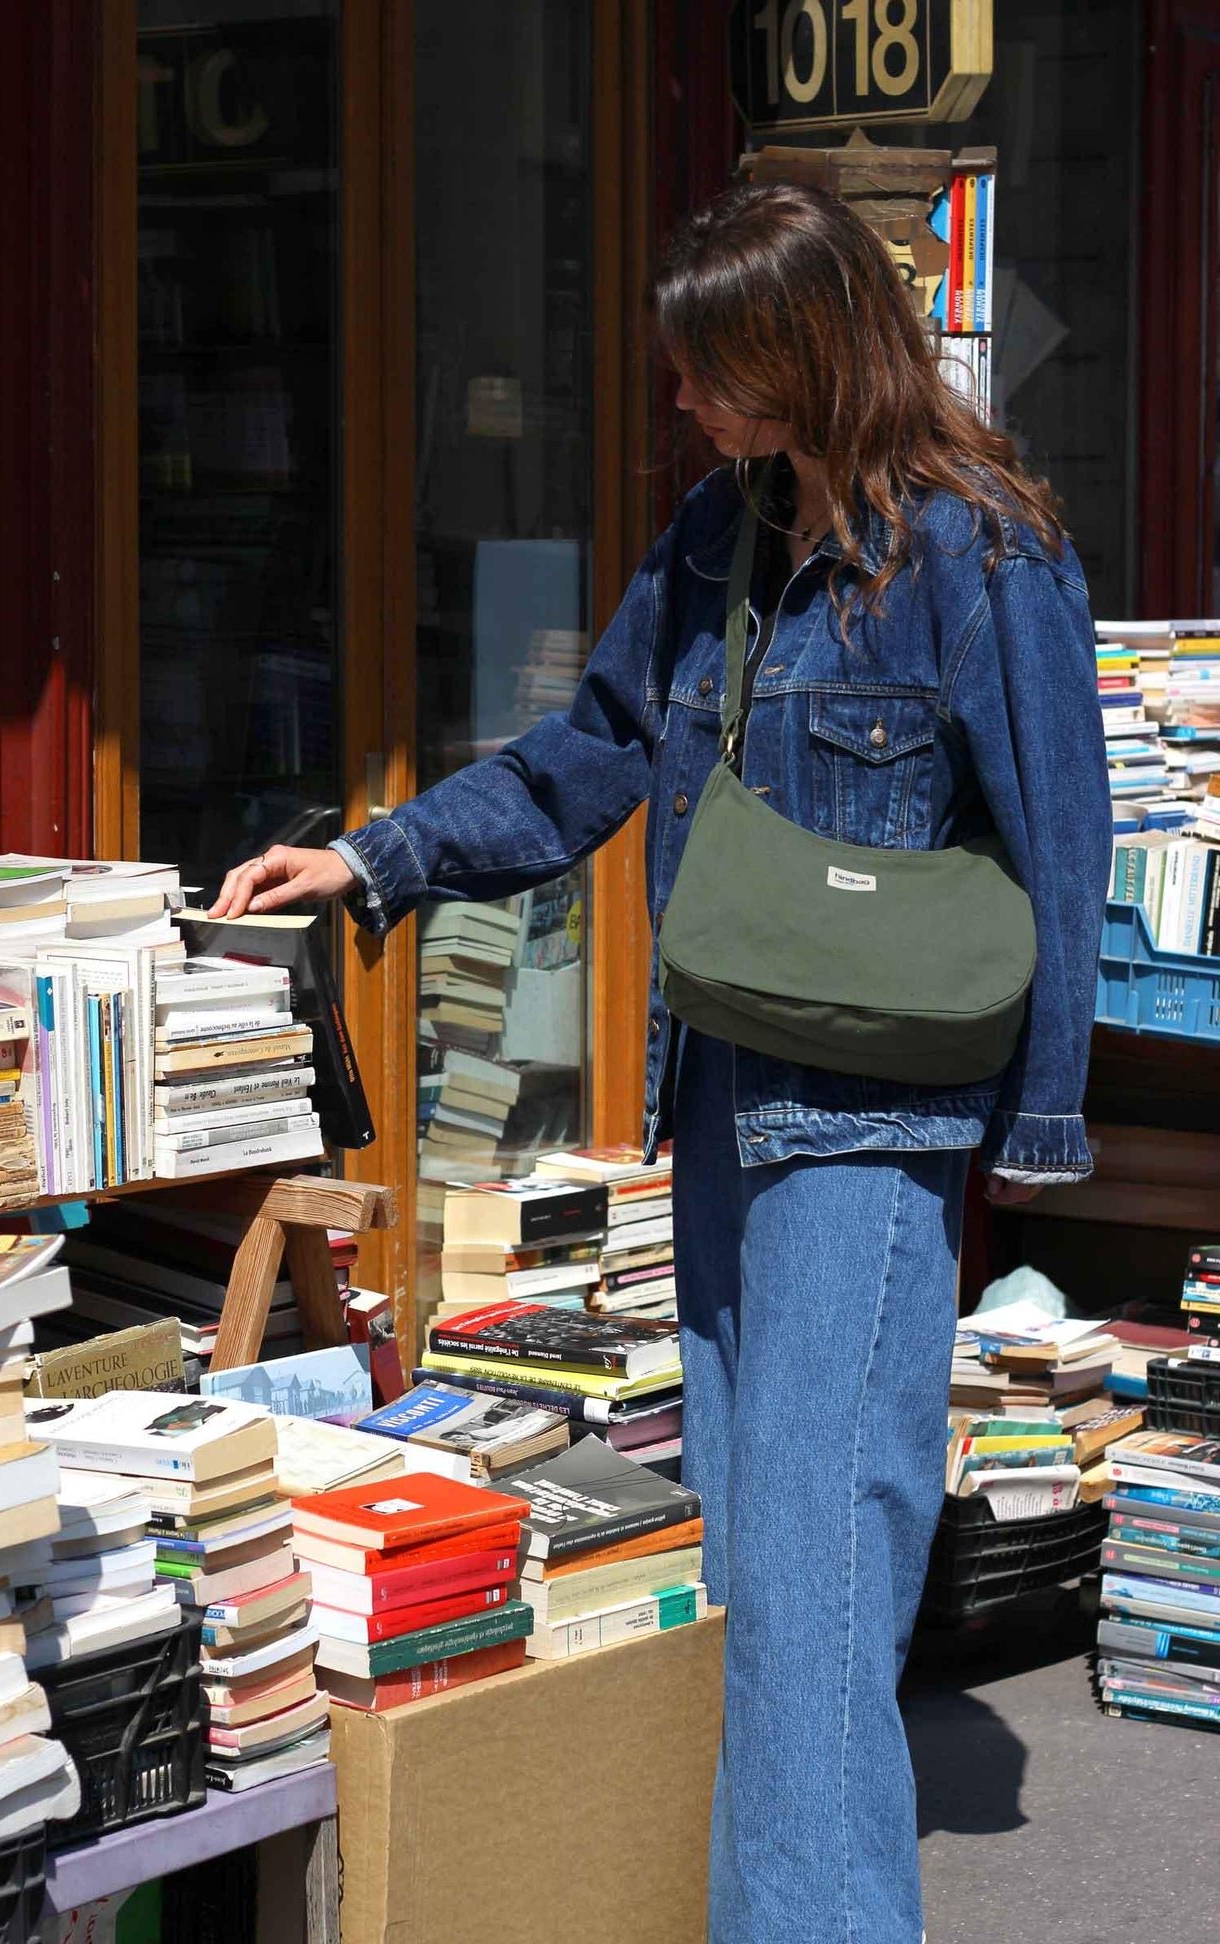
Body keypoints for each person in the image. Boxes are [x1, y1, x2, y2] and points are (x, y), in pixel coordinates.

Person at [211, 182, 1112, 1942]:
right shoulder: (718, 538)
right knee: (765, 1580)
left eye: (710, 373)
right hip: (717, 1111)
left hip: (871, 1134)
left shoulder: (984, 555)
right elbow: (587, 757)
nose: (683, 404)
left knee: (812, 1594)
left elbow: (1060, 844)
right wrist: (377, 859)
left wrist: (1046, 1124)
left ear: (806, 355)